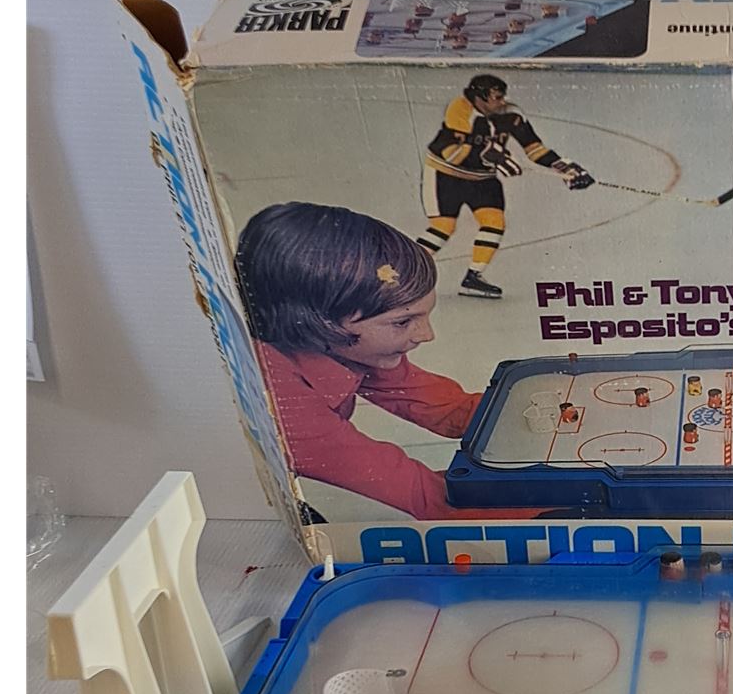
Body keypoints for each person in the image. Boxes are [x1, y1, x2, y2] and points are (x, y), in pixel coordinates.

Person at [235, 200, 516, 520]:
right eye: (403, 322)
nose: (426, 335)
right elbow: (422, 493)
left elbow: (447, 409)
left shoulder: (347, 345)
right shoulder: (279, 397)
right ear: (321, 321)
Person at [418, 74, 593, 299]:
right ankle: (401, 273)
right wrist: (490, 155)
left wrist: (564, 167)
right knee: (443, 227)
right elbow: (451, 153)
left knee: (494, 221)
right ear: (479, 97)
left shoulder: (511, 114)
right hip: (446, 175)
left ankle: (473, 277)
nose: (502, 102)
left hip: (483, 177)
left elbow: (534, 148)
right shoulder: (460, 109)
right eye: (497, 98)